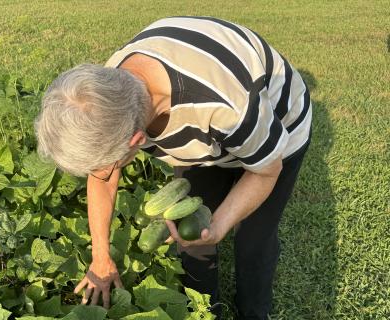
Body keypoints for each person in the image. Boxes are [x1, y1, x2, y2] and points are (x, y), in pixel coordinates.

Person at [34, 16, 312, 320]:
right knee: (192, 237)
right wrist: (101, 257)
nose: (101, 175)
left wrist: (219, 226)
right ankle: (206, 311)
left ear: (138, 140)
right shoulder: (102, 93)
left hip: (276, 126)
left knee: (253, 241)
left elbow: (266, 171)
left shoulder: (226, 106)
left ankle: (254, 312)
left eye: (104, 167)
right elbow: (102, 177)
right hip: (210, 135)